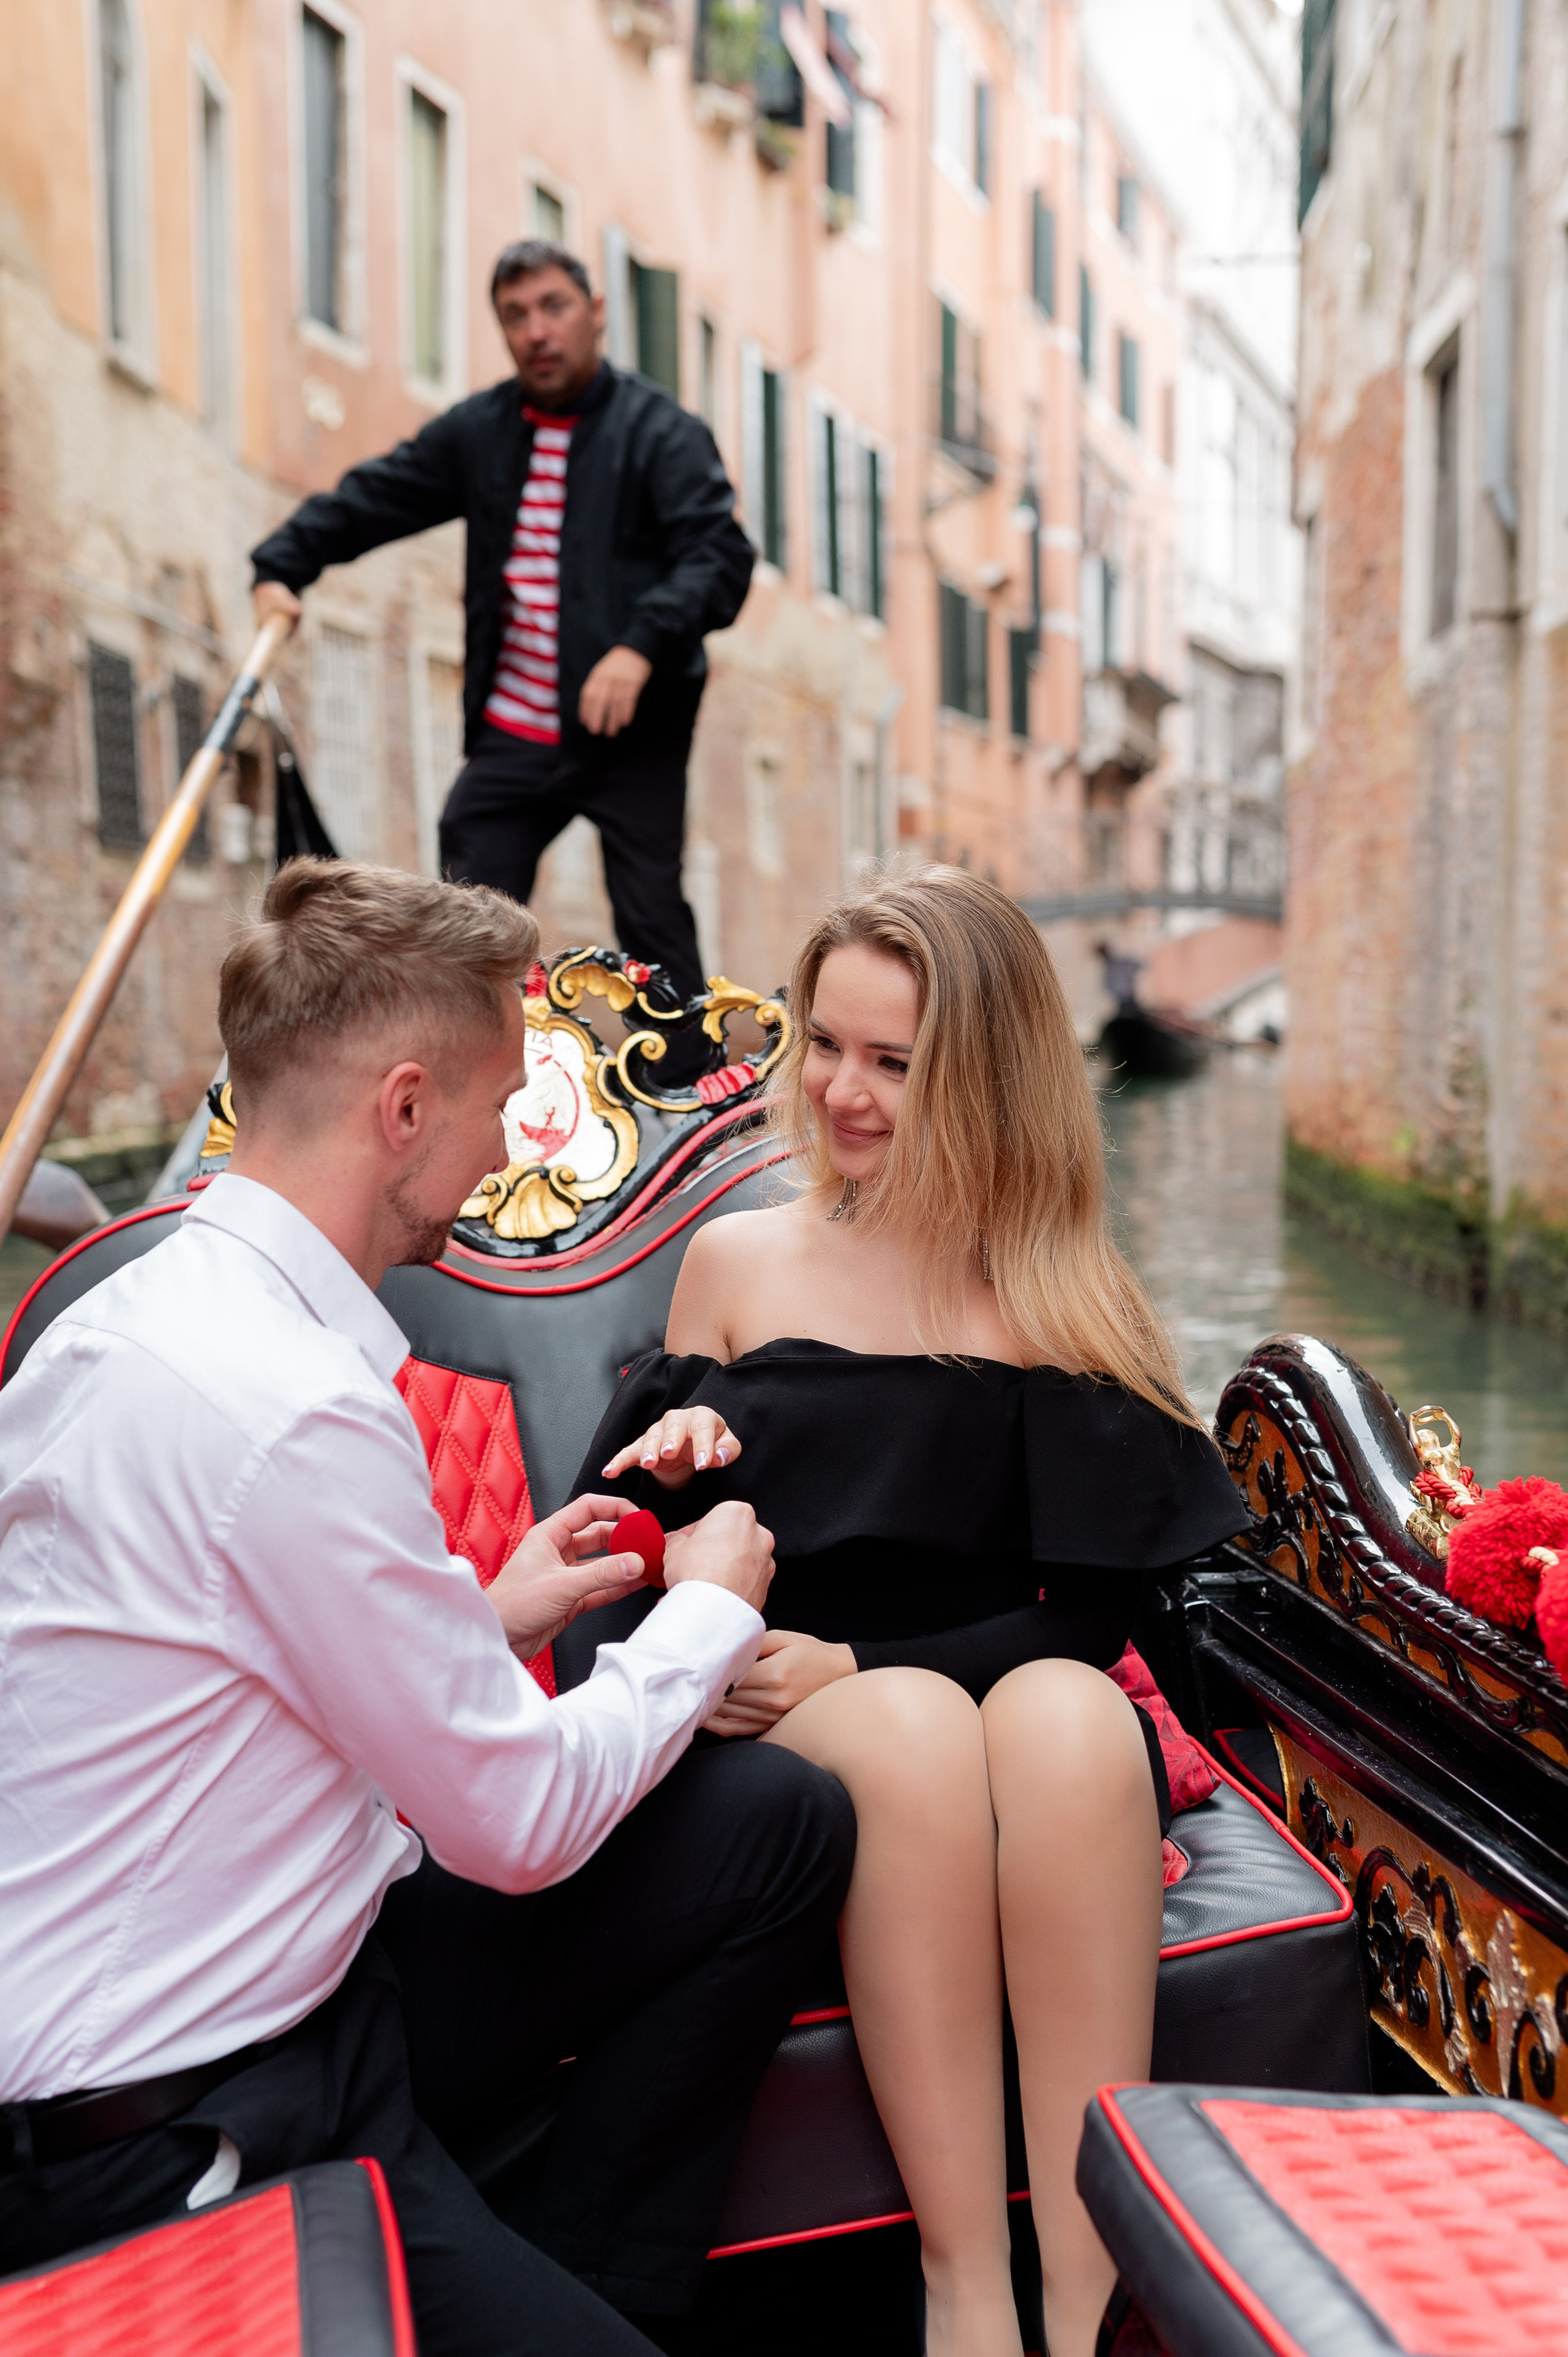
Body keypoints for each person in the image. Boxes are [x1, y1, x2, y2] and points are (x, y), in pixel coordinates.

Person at [0, 861, 854, 2356]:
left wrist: (490, 1604)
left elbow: (213, 1656)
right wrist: (705, 1612)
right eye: (499, 1099)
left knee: (772, 1823)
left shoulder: (135, 1327)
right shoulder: (292, 1404)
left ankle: (583, 2278)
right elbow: (513, 1822)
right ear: (404, 1107)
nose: (500, 1142)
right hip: (166, 2131)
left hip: (314, 1990)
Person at [582, 869, 1251, 2357]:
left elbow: (1083, 1615)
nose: (839, 1092)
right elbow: (632, 1552)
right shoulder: (737, 1264)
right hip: (791, 1703)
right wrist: (678, 1470)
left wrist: (868, 1654)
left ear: (984, 1076)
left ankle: (1087, 2302)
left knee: (1073, 1717)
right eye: (824, 1044)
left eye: (892, 1061)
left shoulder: (1059, 1294)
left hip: (978, 1673)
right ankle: (964, 2293)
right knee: (906, 1729)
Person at [249, 241, 753, 1024]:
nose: (536, 332)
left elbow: (720, 558)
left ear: (595, 315)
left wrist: (638, 646)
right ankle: (470, 1083)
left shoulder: (662, 432)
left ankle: (687, 1102)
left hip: (631, 733)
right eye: (515, 316)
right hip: (514, 731)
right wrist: (280, 563)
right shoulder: (478, 432)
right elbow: (375, 496)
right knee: (466, 918)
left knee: (651, 916)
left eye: (553, 308)